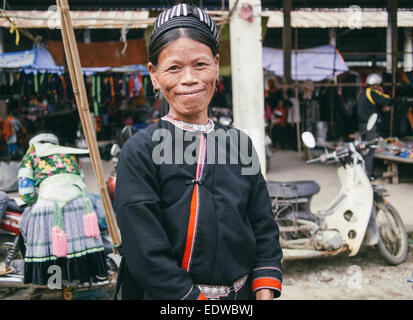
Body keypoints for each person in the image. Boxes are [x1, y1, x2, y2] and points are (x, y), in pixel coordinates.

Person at [115, 3, 283, 301]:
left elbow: (263, 225)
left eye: (201, 65)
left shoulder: (239, 144)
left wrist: (264, 289)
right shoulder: (140, 151)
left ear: (216, 65)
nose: (189, 78)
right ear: (154, 74)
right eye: (174, 68)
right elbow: (145, 251)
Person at [17, 133, 108, 285]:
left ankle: (56, 280)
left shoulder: (31, 155)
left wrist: (34, 201)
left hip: (49, 202)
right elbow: (82, 180)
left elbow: (25, 192)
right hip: (79, 201)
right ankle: (88, 275)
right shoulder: (69, 153)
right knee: (81, 241)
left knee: (52, 243)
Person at [357, 73, 393, 178]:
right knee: (370, 149)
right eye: (379, 85)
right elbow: (386, 100)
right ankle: (367, 175)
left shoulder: (362, 94)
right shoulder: (371, 93)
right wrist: (398, 100)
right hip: (370, 126)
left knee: (364, 148)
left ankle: (363, 173)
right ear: (375, 85)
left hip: (362, 125)